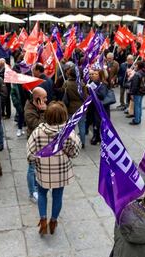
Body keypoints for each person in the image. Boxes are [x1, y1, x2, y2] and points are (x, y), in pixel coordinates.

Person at [27, 101, 81, 235]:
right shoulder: (68, 133)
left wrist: (36, 160)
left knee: (41, 194)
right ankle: (53, 221)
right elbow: (75, 152)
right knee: (58, 196)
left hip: (43, 171)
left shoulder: (38, 131)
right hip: (61, 172)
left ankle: (43, 220)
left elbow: (30, 154)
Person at [25, 87, 48, 203]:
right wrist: (43, 112)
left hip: (41, 141)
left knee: (38, 166)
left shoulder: (38, 106)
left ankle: (37, 185)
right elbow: (38, 126)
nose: (46, 100)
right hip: (33, 142)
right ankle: (32, 192)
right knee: (31, 168)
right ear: (37, 99)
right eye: (44, 98)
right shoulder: (29, 111)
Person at [62, 68, 88, 148]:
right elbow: (85, 97)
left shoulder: (66, 83)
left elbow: (63, 93)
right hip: (81, 107)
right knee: (82, 125)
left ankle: (71, 142)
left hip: (71, 108)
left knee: (71, 126)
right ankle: (83, 143)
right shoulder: (82, 84)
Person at [128, 61, 145, 125]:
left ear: (139, 66)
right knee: (139, 105)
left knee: (136, 106)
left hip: (137, 92)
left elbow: (134, 85)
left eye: (136, 65)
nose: (135, 66)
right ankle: (139, 118)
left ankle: (136, 120)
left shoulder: (137, 74)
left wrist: (131, 93)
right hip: (142, 90)